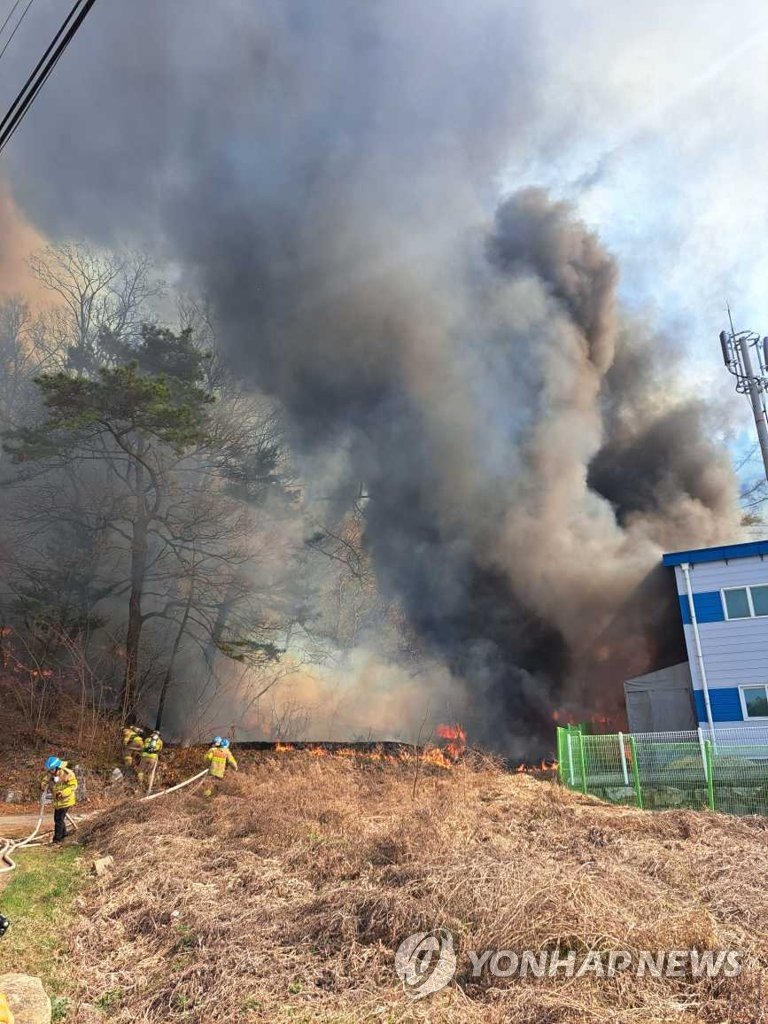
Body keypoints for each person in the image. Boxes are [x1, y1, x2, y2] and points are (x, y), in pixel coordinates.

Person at [40, 756, 78, 844]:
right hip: (58, 802)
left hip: (66, 800)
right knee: (59, 819)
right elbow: (45, 781)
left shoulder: (67, 774)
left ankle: (57, 839)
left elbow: (73, 786)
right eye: (50, 770)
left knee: (58, 819)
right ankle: (64, 834)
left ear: (58, 767)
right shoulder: (51, 774)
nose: (51, 772)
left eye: (53, 770)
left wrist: (63, 793)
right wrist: (43, 785)